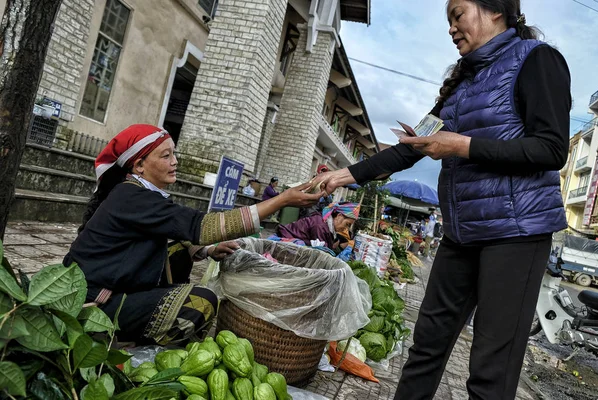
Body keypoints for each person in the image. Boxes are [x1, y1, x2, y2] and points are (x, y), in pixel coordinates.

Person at [316, 0, 570, 398]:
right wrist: (343, 175)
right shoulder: (461, 84)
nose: (451, 28)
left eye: (457, 15)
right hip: (462, 231)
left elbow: (551, 149)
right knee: (426, 347)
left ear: (495, 10)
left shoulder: (537, 60)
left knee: (490, 370)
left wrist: (461, 146)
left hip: (516, 234)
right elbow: (412, 147)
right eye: (449, 20)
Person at [63, 124, 322, 346]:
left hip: (107, 287)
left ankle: (150, 309)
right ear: (139, 165)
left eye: (173, 154)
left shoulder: (139, 193)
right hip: (92, 303)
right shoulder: (131, 196)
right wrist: (282, 200)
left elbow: (179, 232)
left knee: (178, 251)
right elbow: (202, 226)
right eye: (166, 156)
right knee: (201, 302)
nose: (175, 161)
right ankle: (117, 337)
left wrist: (208, 250)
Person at [276, 202, 360, 250]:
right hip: (283, 243)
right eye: (347, 224)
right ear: (339, 216)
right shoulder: (320, 226)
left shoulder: (326, 224)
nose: (346, 228)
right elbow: (321, 252)